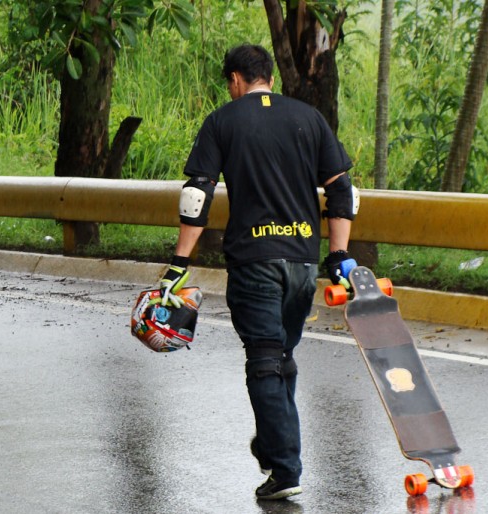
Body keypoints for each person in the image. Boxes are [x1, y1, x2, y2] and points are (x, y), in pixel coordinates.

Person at [159, 44, 358, 500]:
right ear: (268, 76)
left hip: (254, 264)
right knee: (281, 357)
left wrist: (179, 264)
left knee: (265, 363)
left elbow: (197, 196)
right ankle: (275, 442)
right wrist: (339, 254)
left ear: (235, 80)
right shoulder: (309, 117)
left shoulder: (223, 121)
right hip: (303, 265)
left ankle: (285, 469)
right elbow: (342, 190)